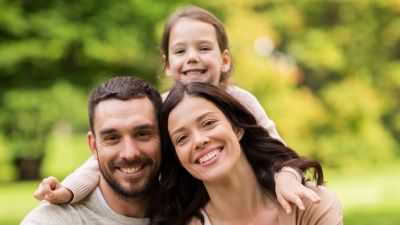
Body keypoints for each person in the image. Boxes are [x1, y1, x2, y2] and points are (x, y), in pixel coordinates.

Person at [34, 6, 320, 213]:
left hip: (247, 204)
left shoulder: (240, 100)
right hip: (191, 206)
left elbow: (277, 150)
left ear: (224, 60)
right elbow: (105, 157)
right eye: (181, 51)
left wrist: (288, 176)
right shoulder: (161, 107)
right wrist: (70, 190)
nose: (192, 58)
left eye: (204, 48)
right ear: (167, 64)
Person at [151, 82, 343, 225]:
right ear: (177, 157)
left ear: (237, 128)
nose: (199, 140)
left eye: (208, 123)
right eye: (182, 138)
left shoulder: (309, 205)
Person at [22, 76, 163, 225]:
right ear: (94, 146)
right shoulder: (53, 220)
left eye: (142, 134)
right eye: (112, 138)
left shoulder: (185, 209)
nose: (129, 153)